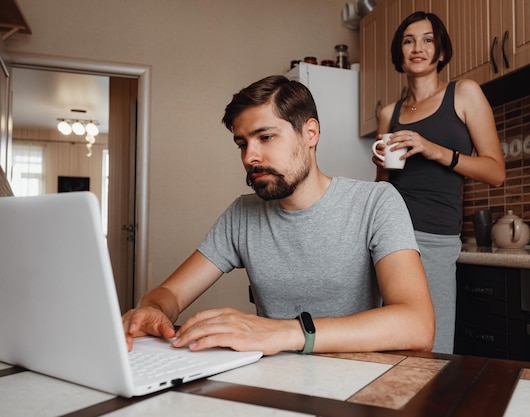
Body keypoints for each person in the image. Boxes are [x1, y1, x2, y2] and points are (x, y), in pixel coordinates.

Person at [123, 75, 435, 356]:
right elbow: (171, 293)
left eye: (266, 137)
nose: (250, 157)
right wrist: (151, 308)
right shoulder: (242, 214)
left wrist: (285, 332)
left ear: (310, 133)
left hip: (354, 377)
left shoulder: (376, 202)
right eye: (242, 144)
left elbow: (417, 324)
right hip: (273, 379)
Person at [372, 12, 505, 354]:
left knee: (432, 347)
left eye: (428, 39)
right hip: (387, 235)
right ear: (399, 53)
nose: (418, 47)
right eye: (408, 40)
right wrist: (381, 166)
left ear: (441, 52)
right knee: (384, 347)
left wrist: (434, 150)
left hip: (436, 238)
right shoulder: (389, 112)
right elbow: (383, 187)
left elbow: (495, 172)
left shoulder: (464, 94)